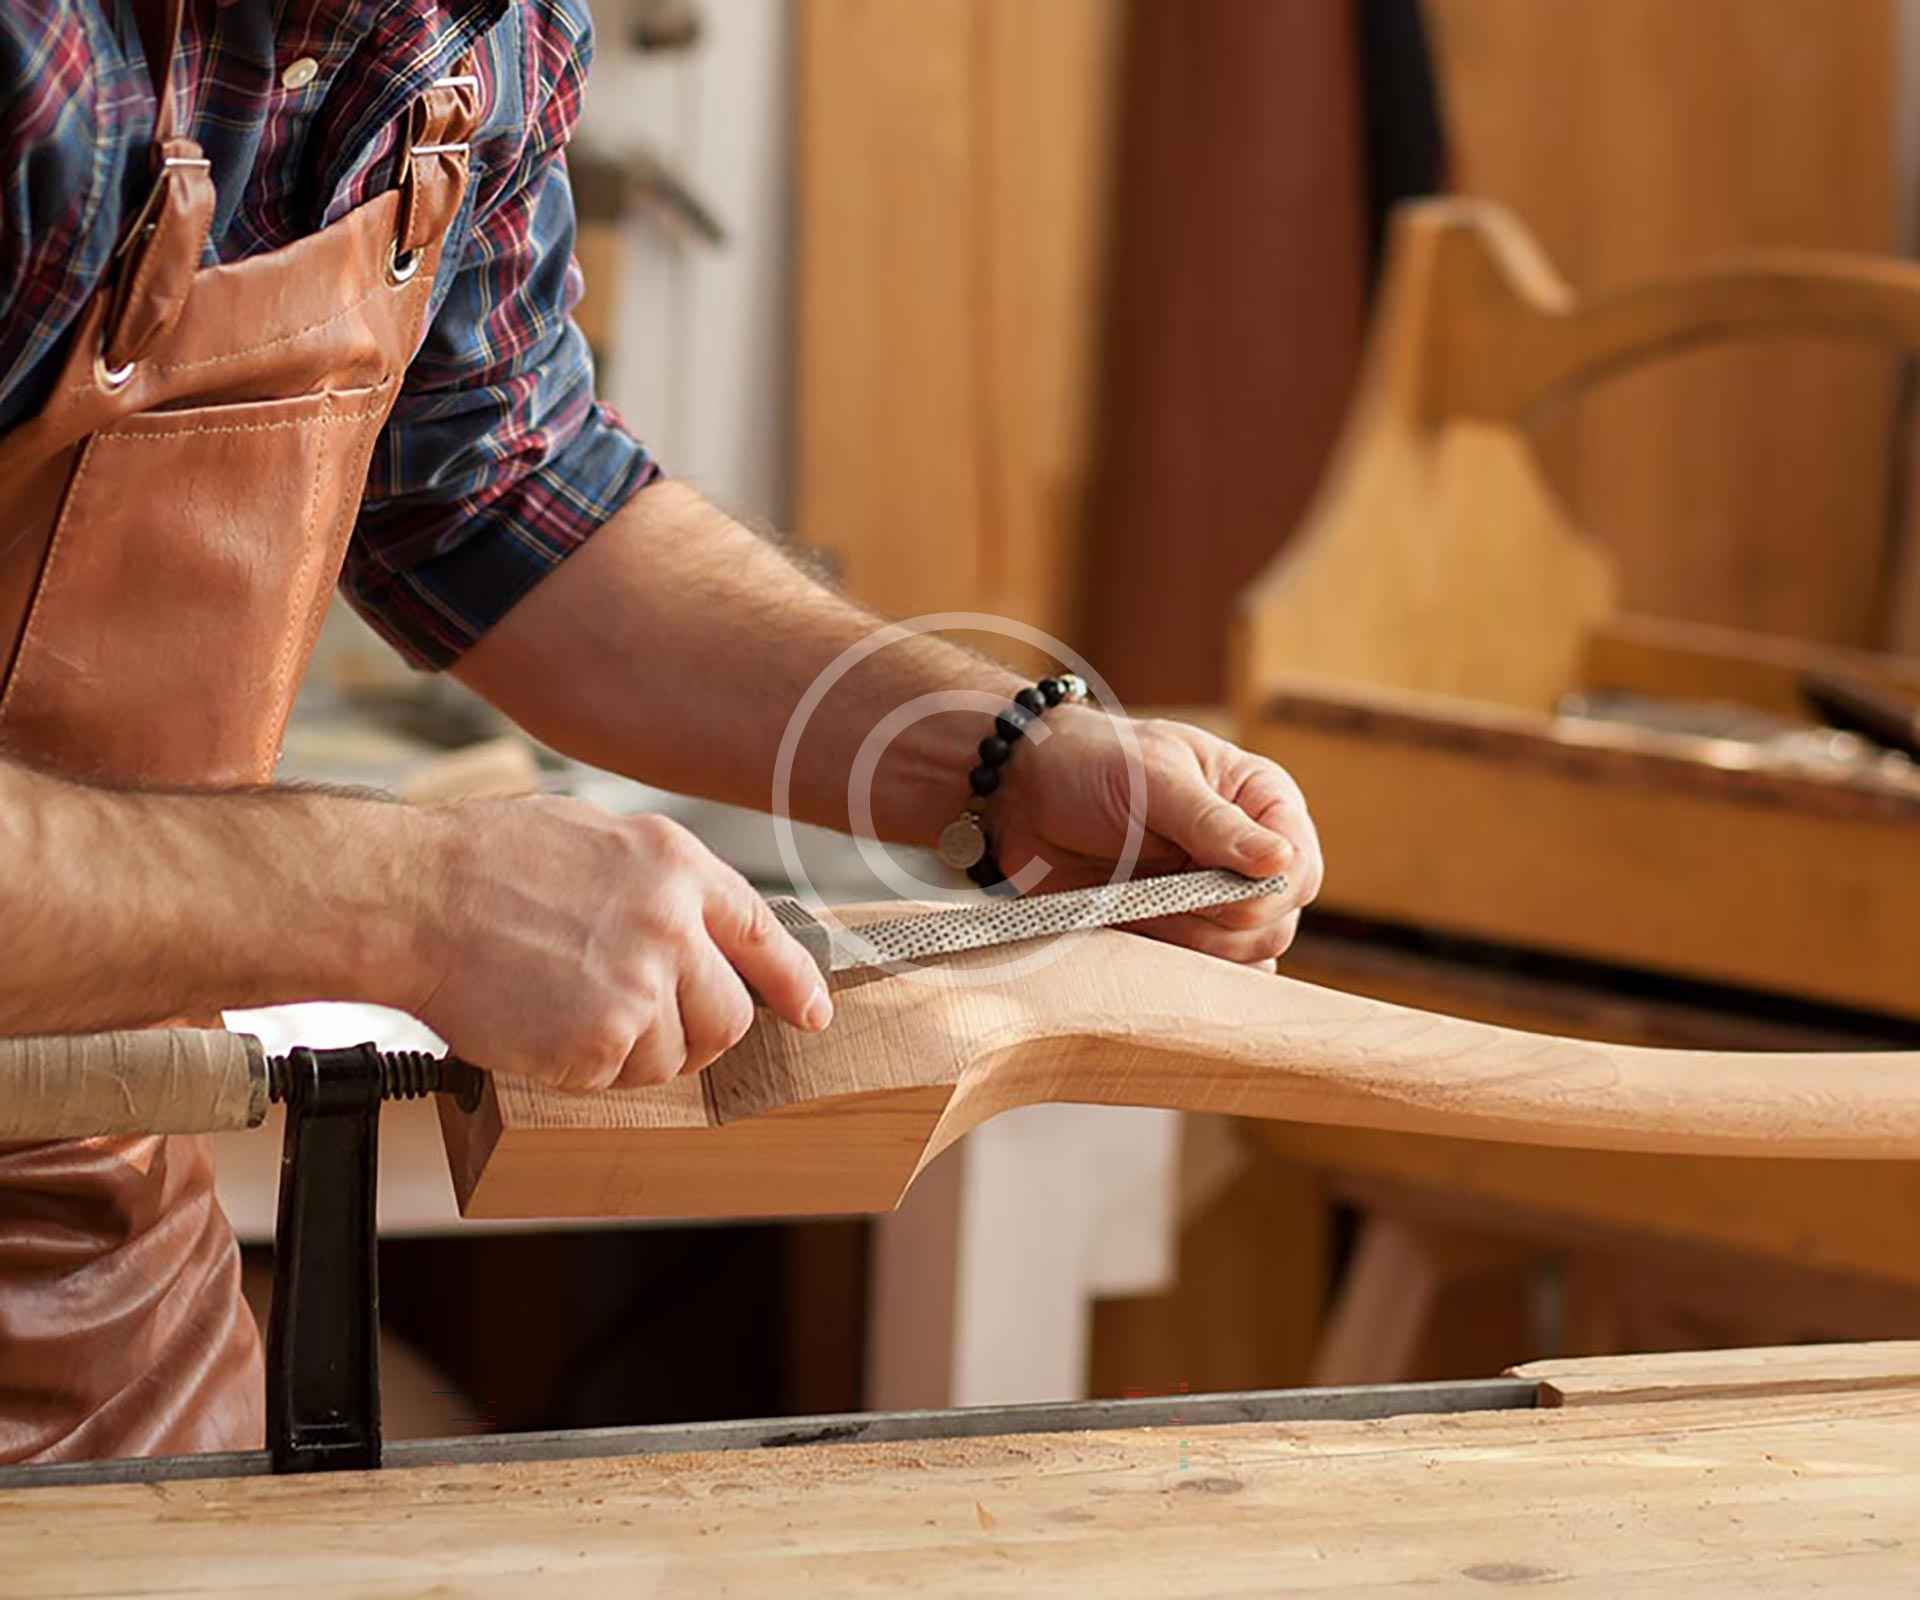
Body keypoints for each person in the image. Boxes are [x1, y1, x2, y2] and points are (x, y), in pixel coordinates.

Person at [0, 0, 1323, 1463]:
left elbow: (498, 492)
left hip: (98, 1276)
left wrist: (994, 754)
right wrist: (407, 901)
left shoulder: (466, 32)